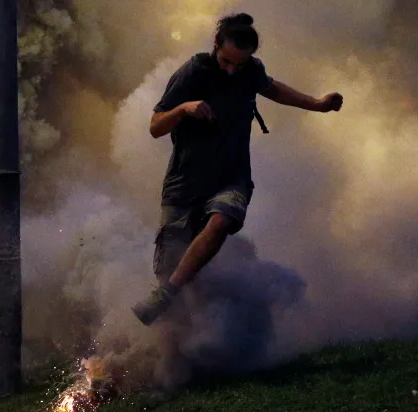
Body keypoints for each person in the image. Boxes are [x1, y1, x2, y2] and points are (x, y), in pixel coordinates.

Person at [131, 12, 343, 326]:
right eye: (226, 62)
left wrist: (318, 104)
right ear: (215, 46)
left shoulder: (250, 71)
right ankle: (171, 347)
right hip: (184, 181)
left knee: (219, 223)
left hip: (231, 177)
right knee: (173, 266)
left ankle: (167, 295)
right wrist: (184, 108)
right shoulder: (193, 72)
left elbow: (274, 89)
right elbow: (155, 126)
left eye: (239, 64)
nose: (232, 71)